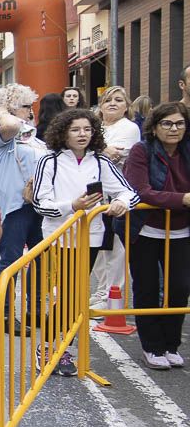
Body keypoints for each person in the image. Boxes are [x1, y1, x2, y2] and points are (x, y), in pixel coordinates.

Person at [32, 108, 139, 374]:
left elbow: (129, 192)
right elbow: (40, 203)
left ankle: (58, 348)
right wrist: (72, 205)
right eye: (75, 130)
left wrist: (120, 203)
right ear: (63, 133)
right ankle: (49, 348)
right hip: (59, 238)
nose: (82, 135)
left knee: (75, 297)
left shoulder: (101, 161)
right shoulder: (49, 161)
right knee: (69, 296)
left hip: (90, 237)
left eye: (87, 129)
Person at [124, 102, 190, 369]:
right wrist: (182, 199)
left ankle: (171, 345)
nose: (174, 129)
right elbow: (141, 191)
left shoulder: (187, 149)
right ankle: (152, 346)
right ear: (154, 126)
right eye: (167, 123)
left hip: (182, 231)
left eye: (180, 123)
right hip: (146, 229)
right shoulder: (142, 150)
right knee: (147, 288)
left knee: (180, 289)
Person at [0, 84, 45, 332]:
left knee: (40, 259)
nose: (31, 111)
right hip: (13, 207)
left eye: (31, 106)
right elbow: (9, 125)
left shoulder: (31, 137)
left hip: (37, 206)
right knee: (11, 260)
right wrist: (0, 110)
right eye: (25, 106)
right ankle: (5, 315)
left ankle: (35, 311)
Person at [89, 86, 142, 309]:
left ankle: (113, 296)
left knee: (115, 251)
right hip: (94, 195)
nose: (112, 103)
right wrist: (102, 148)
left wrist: (97, 149)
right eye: (108, 100)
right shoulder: (95, 126)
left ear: (126, 106)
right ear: (101, 105)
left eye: (119, 100)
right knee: (98, 247)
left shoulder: (129, 128)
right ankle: (102, 290)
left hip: (115, 195)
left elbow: (116, 155)